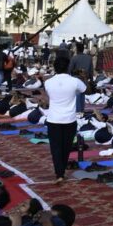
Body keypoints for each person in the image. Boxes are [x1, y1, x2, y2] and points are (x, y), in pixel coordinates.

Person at [45, 56, 87, 184]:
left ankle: (60, 173)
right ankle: (61, 172)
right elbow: (86, 89)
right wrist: (83, 77)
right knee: (66, 147)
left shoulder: (48, 82)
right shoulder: (75, 81)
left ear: (54, 68)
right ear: (68, 67)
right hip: (69, 119)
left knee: (56, 148)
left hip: (53, 119)